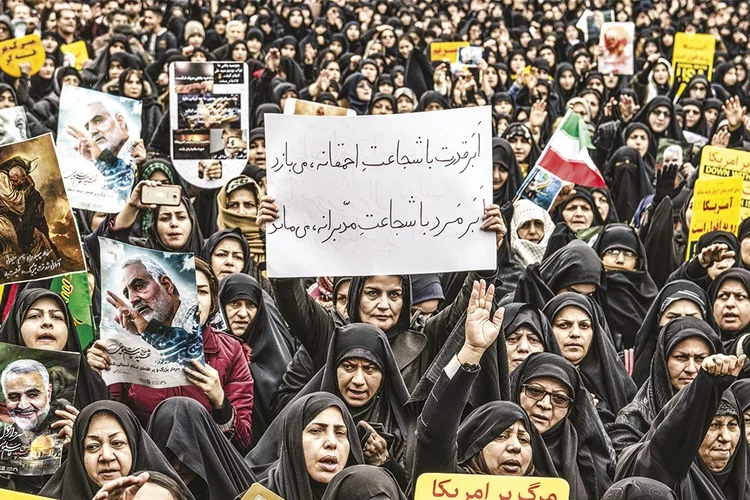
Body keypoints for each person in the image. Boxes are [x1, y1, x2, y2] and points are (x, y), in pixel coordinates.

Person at [87, 258, 255, 451]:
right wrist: (97, 377)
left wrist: (220, 401)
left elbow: (242, 442)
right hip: (150, 466)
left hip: (208, 466)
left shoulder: (231, 351)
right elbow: (111, 427)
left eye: (201, 291)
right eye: (128, 293)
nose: (133, 298)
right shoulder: (124, 348)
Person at [412, 280, 556, 479]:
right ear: (475, 446)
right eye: (501, 436)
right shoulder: (447, 481)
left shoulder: (544, 491)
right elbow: (435, 433)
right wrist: (472, 350)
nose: (515, 447)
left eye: (524, 440)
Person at [615, 353, 749, 500]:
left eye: (732, 425)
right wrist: (705, 384)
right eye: (714, 425)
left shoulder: (743, 482)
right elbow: (669, 443)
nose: (725, 437)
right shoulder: (664, 471)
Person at [609, 317, 723, 457]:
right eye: (681, 357)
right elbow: (627, 467)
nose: (691, 368)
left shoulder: (726, 410)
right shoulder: (634, 419)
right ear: (663, 361)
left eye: (700, 359)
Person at [509, 352, 614, 499]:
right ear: (517, 389)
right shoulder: (491, 444)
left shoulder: (587, 461)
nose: (545, 404)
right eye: (535, 391)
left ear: (570, 408)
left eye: (559, 399)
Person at [40, 400, 192, 499]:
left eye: (117, 443)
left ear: (135, 446)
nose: (106, 456)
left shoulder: (160, 494)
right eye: (92, 447)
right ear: (79, 455)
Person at [241, 392, 364, 500]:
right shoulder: (261, 497)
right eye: (316, 431)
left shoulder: (366, 493)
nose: (331, 442)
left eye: (340, 433)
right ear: (294, 440)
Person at [543, 293, 636, 423]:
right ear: (547, 330)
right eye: (564, 325)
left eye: (584, 326)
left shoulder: (616, 381)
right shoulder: (533, 379)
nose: (575, 334)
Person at [147, 397, 255, 500]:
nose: (177, 466)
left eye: (189, 455)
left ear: (203, 448)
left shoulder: (241, 492)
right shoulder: (137, 493)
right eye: (169, 455)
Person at [1, 359, 54, 432]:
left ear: (48, 394)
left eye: (32, 394)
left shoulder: (66, 423)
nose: (23, 406)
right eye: (13, 397)